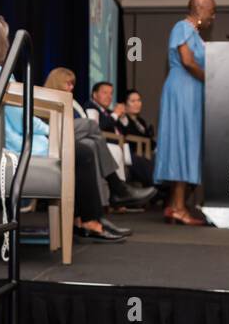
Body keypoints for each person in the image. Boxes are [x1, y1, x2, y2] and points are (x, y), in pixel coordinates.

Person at [0, 18, 125, 242]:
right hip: (12, 151)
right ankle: (95, 215)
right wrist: (50, 130)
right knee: (83, 149)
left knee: (86, 145)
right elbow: (22, 121)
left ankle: (89, 219)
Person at [45, 67, 156, 214]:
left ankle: (97, 213)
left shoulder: (73, 101)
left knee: (91, 145)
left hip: (76, 139)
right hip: (58, 136)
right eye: (67, 84)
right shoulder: (48, 97)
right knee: (91, 125)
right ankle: (118, 188)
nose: (71, 87)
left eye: (72, 84)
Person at [154, 0, 215, 226]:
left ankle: (174, 204)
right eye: (211, 11)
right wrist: (212, 78)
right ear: (199, 10)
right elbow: (188, 62)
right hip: (182, 90)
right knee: (182, 144)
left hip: (191, 91)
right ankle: (178, 208)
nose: (213, 17)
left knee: (187, 144)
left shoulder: (196, 34)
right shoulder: (182, 26)